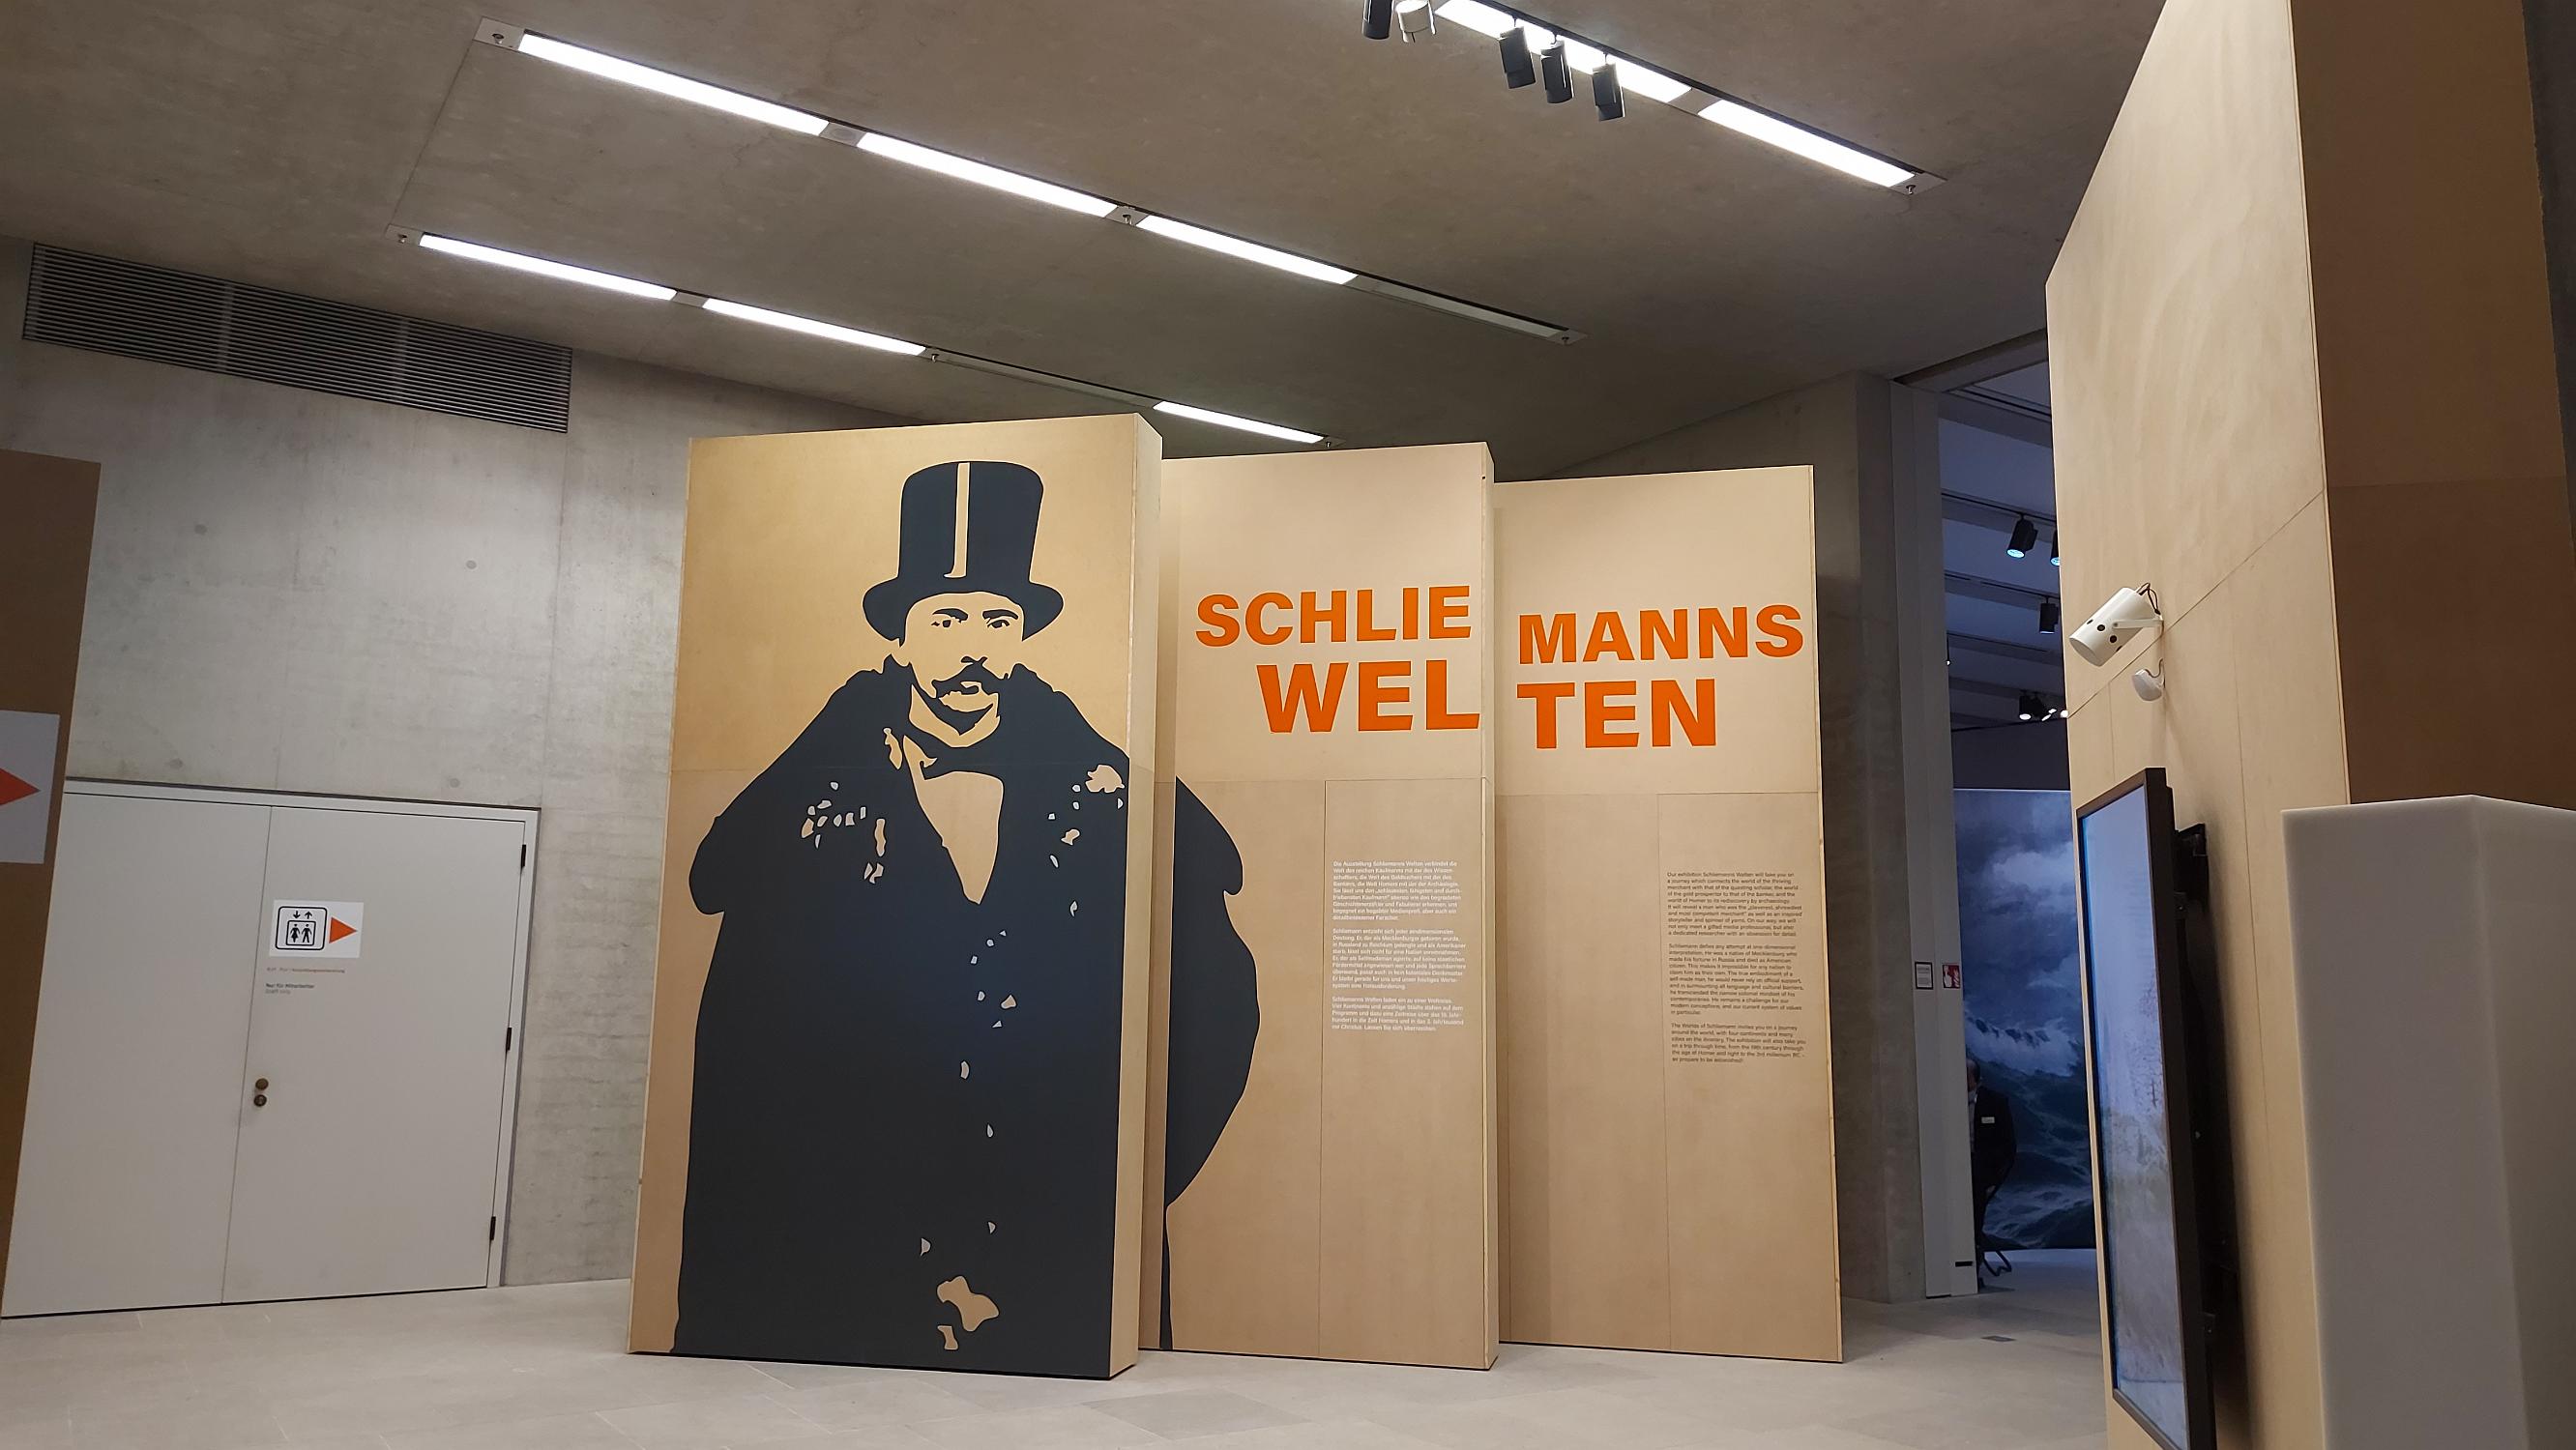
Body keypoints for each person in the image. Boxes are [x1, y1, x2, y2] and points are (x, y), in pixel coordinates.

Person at [672, 459, 1254, 1377]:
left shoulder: (1117, 807)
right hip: (845, 1252)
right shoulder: (799, 818)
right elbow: (748, 1042)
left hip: (1049, 1245)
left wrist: (1112, 1184)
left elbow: (1216, 1013)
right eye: (947, 620)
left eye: (998, 622)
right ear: (900, 638)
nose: (974, 647)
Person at [1970, 1058, 2020, 1278]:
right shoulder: (1946, 1102)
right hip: (1954, 1170)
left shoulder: (1995, 1102)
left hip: (1980, 1171)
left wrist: (1995, 1177)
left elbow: (2007, 1145)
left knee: (1975, 1215)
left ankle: (1973, 1263)